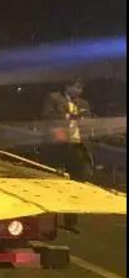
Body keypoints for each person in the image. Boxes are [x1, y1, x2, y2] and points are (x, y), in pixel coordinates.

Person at [41, 79, 94, 232]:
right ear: (67, 86)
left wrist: (84, 120)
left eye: (81, 88)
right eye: (76, 87)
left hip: (77, 146)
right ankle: (48, 219)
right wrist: (67, 117)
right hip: (58, 146)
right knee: (53, 183)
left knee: (76, 184)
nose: (79, 91)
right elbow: (46, 116)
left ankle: (71, 222)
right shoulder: (54, 97)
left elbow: (89, 121)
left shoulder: (84, 104)